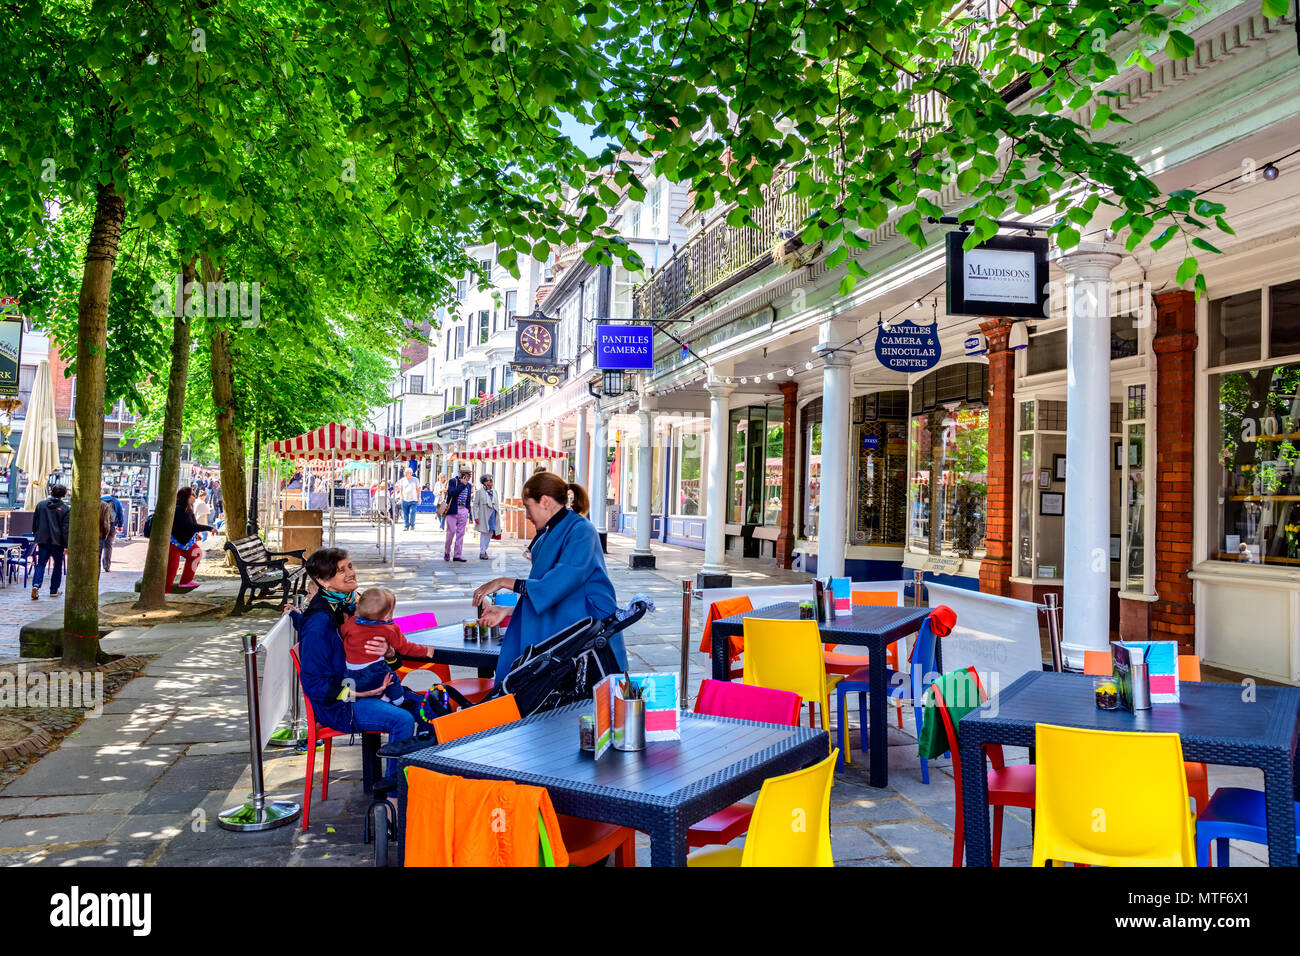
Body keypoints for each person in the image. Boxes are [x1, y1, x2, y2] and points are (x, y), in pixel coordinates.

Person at [473, 473, 626, 683]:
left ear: (545, 501)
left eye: (528, 506)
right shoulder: (551, 532)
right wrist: (509, 610)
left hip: (587, 633)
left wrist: (502, 582)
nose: (526, 515)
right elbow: (550, 593)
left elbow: (556, 584)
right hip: (567, 624)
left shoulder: (582, 530)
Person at [294, 548, 431, 772]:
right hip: (341, 705)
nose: (351, 573)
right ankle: (393, 795)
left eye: (350, 566)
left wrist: (390, 654)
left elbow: (387, 661)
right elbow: (314, 685)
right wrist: (359, 694)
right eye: (341, 571)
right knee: (403, 720)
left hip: (371, 687)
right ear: (322, 581)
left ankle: (421, 777)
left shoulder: (353, 606)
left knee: (429, 707)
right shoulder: (318, 623)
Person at [338, 587, 437, 705]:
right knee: (392, 679)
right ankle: (399, 701)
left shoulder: (352, 622)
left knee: (371, 681)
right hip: (373, 671)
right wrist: (426, 651)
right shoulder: (389, 629)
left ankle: (382, 698)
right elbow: (405, 647)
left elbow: (342, 633)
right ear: (387, 616)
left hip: (351, 672)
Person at [163, 488, 214, 593]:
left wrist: (195, 535)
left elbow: (191, 525)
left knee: (197, 553)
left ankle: (186, 580)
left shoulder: (188, 508)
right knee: (171, 569)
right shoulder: (178, 509)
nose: (194, 497)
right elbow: (190, 526)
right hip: (173, 543)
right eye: (192, 495)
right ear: (185, 497)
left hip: (185, 543)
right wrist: (209, 528)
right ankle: (166, 592)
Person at [32, 484, 71, 600]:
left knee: (41, 564)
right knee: (57, 565)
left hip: (43, 540)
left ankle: (36, 585)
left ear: (51, 492)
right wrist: (66, 545)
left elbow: (35, 523)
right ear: (63, 495)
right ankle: (53, 590)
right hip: (57, 542)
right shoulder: (65, 509)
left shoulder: (41, 505)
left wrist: (37, 535)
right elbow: (65, 529)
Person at [443, 466, 472, 562]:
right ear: (463, 475)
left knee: (461, 533)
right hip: (453, 510)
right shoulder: (453, 481)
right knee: (451, 532)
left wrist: (468, 509)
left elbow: (468, 498)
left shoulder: (469, 485)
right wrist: (462, 485)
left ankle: (457, 555)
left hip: (463, 510)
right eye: (468, 474)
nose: (470, 476)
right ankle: (447, 552)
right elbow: (452, 493)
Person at [473, 474, 500, 560]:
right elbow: (475, 505)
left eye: (492, 480)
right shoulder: (479, 492)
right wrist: (476, 516)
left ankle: (484, 549)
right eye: (490, 480)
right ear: (485, 482)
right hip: (484, 515)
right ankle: (482, 552)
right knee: (484, 533)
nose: (491, 482)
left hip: (492, 515)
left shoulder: (494, 492)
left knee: (490, 532)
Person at [99, 485, 125, 570]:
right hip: (111, 525)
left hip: (99, 526)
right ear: (110, 492)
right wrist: (120, 525)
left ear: (102, 491)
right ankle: (107, 566)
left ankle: (97, 565)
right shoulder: (116, 501)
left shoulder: (98, 500)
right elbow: (120, 514)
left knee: (99, 544)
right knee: (108, 546)